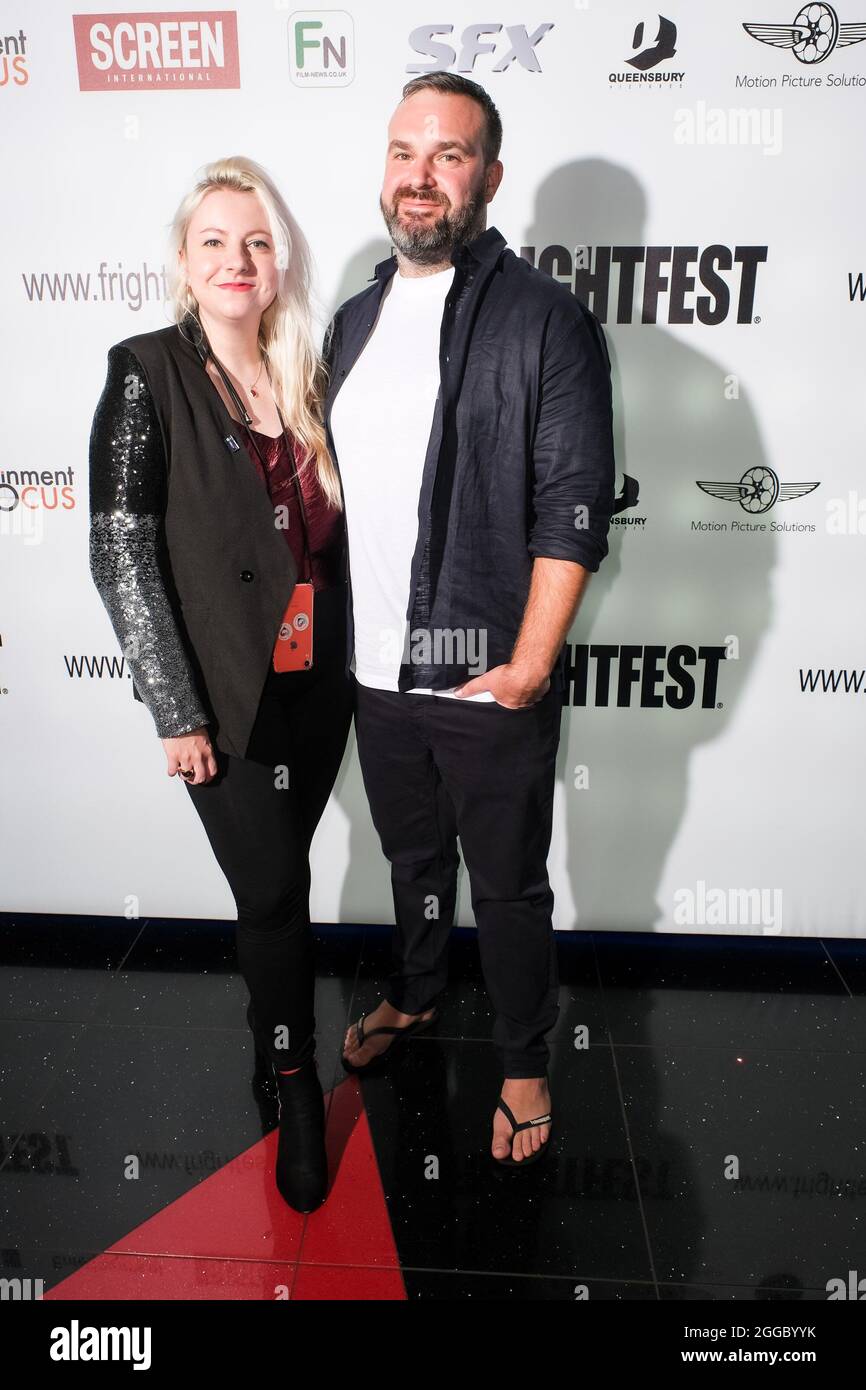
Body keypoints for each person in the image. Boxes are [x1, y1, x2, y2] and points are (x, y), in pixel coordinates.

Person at [329, 75, 616, 1166]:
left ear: (489, 177)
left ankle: (524, 1062)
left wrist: (531, 664)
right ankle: (412, 994)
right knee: (411, 858)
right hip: (375, 672)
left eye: (447, 154)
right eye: (404, 150)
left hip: (484, 672)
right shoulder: (354, 318)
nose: (419, 174)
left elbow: (571, 505)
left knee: (505, 883)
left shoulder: (545, 319)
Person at [88, 156, 351, 1212]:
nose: (236, 259)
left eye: (255, 241)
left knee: (271, 888)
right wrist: (176, 709)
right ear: (183, 263)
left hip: (318, 688)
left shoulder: (309, 379)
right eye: (215, 242)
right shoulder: (145, 371)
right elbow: (121, 552)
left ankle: (267, 1034)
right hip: (225, 700)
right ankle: (295, 1089)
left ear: (277, 262)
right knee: (278, 894)